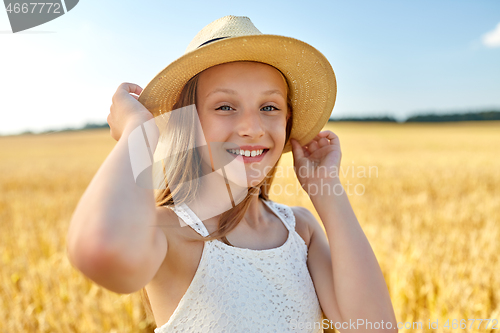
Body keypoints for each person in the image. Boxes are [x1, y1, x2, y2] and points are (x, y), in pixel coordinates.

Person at [66, 15, 397, 333]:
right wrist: (138, 132)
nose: (252, 128)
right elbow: (99, 250)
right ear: (190, 123)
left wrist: (326, 191)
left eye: (269, 107)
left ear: (287, 121)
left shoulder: (301, 231)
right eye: (225, 106)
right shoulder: (170, 234)